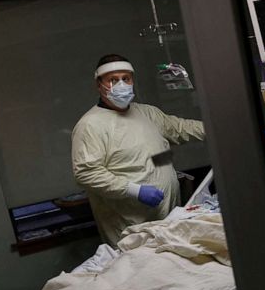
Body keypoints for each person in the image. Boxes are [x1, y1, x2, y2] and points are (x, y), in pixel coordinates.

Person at [71, 54, 205, 247]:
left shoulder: (146, 113)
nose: (121, 85)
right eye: (113, 80)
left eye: (126, 78)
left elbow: (180, 128)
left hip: (168, 219)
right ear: (99, 85)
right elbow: (87, 173)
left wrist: (216, 127)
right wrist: (135, 190)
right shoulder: (90, 125)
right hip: (131, 227)